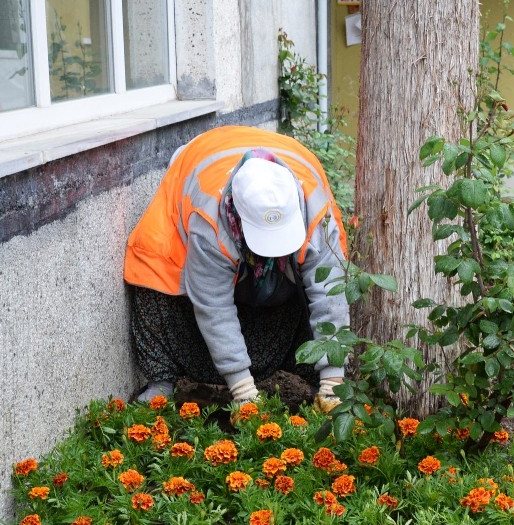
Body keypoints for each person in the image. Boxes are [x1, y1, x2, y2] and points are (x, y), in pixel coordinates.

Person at [124, 125, 349, 413]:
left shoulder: (316, 209)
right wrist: (243, 393)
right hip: (200, 177)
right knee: (153, 273)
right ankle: (162, 381)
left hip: (274, 184)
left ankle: (317, 379)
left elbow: (330, 296)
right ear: (237, 218)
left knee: (319, 288)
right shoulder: (208, 218)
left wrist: (333, 383)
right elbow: (214, 307)